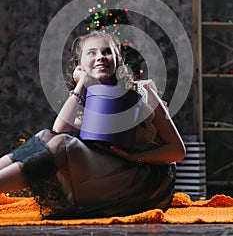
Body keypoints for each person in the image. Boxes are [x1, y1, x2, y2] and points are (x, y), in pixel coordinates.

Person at [0, 31, 186, 219]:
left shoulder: (142, 91)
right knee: (45, 136)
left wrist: (135, 157)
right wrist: (83, 84)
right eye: (92, 53)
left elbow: (178, 150)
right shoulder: (81, 97)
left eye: (107, 52)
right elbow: (57, 131)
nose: (100, 58)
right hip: (95, 175)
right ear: (80, 65)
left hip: (139, 179)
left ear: (117, 58)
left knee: (64, 143)